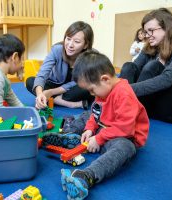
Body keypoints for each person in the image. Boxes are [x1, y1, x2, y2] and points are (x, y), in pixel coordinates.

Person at [61, 50, 149, 199]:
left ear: (105, 79)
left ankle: (87, 176)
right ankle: (70, 134)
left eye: (91, 90)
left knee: (125, 148)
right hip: (104, 130)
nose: (91, 94)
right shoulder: (103, 91)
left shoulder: (124, 94)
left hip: (125, 137)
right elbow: (95, 112)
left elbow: (125, 128)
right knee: (87, 115)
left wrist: (99, 138)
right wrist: (89, 129)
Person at [119, 8, 172, 123]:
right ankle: (122, 110)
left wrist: (123, 89)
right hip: (152, 106)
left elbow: (166, 80)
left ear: (167, 28)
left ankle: (124, 113)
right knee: (128, 66)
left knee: (154, 66)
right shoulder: (149, 47)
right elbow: (134, 68)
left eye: (151, 30)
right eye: (146, 32)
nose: (147, 35)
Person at [26, 21, 95, 110]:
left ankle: (54, 100)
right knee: (30, 81)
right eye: (68, 39)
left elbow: (77, 82)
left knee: (89, 86)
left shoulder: (90, 57)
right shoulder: (57, 49)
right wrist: (40, 94)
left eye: (77, 42)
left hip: (73, 88)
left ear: (86, 45)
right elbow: (42, 74)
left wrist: (51, 92)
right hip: (55, 83)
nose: (70, 45)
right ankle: (68, 103)